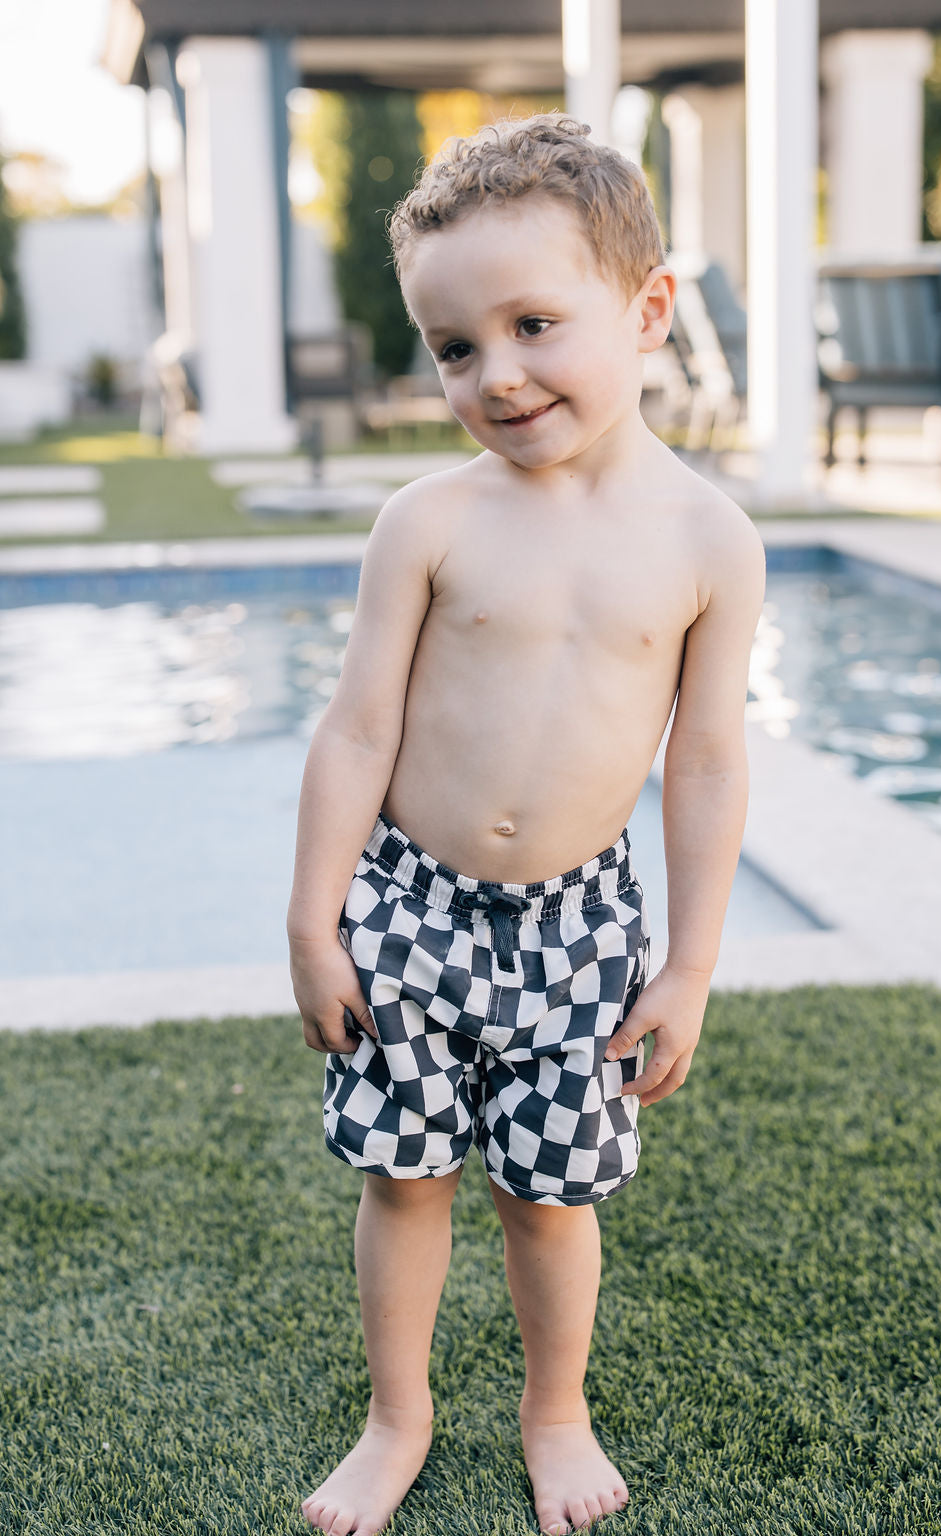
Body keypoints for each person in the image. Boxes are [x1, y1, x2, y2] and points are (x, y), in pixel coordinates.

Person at [288, 112, 765, 1536]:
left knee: (551, 1199)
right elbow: (358, 729)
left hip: (580, 923)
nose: (495, 374)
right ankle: (397, 1419)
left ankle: (555, 1412)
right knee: (407, 1175)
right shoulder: (427, 523)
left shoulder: (707, 542)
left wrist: (687, 966)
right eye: (453, 346)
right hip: (412, 908)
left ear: (649, 308)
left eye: (535, 323)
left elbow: (707, 763)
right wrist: (314, 917)